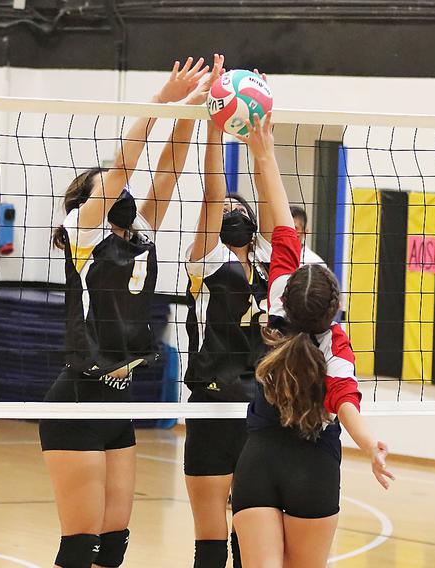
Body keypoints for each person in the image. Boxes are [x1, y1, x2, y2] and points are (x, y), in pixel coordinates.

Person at [39, 57, 211, 568]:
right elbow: (123, 168)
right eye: (106, 189)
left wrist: (193, 111)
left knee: (112, 547)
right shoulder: (84, 234)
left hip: (119, 400)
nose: (120, 193)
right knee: (81, 543)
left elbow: (170, 169)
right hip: (76, 402)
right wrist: (159, 102)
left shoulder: (141, 236)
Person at [231, 114, 393, 568]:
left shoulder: (277, 303)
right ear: (334, 308)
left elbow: (283, 225)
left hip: (258, 458)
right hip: (313, 465)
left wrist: (262, 151)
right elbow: (345, 400)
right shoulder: (335, 346)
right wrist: (369, 445)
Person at [183, 55, 271, 568]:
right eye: (227, 212)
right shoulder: (205, 259)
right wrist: (215, 126)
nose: (233, 212)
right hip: (212, 403)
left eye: (243, 210)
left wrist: (264, 147)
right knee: (210, 546)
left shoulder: (270, 264)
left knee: (250, 541)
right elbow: (214, 193)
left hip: (259, 405)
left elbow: (266, 199)